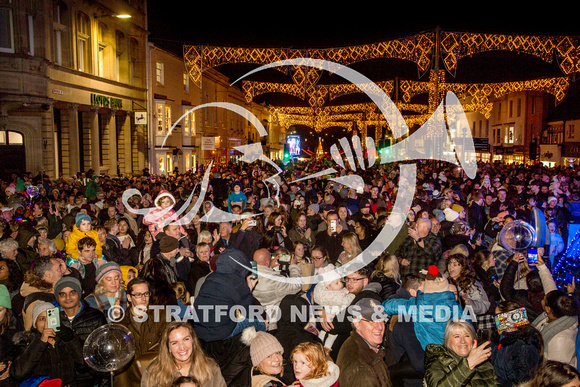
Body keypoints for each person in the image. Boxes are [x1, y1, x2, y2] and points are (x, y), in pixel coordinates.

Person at [382, 265, 464, 350]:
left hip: (432, 352)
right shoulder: (455, 306)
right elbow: (467, 326)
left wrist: (383, 305)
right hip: (454, 349)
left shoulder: (418, 304)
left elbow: (392, 306)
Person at [9, 301, 86, 386]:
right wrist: (40, 342)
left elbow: (84, 366)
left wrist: (69, 337)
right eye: (42, 319)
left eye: (50, 317)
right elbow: (19, 373)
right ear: (35, 324)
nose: (47, 322)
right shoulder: (27, 343)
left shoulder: (65, 340)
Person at [53, 276, 109, 387]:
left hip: (90, 380)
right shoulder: (52, 319)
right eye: (62, 294)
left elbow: (104, 355)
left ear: (79, 293)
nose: (68, 297)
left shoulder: (95, 317)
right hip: (61, 381)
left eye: (72, 292)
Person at [116, 278, 168, 387]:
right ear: (129, 297)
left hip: (160, 379)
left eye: (146, 293)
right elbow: (119, 366)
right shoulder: (120, 325)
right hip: (134, 381)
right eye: (138, 295)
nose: (144, 298)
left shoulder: (162, 315)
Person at [141, 322, 226, 387]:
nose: (182, 347)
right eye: (175, 343)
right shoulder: (154, 373)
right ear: (168, 348)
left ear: (193, 341)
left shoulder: (210, 368)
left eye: (186, 339)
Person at [424, 319, 499, 387]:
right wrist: (468, 364)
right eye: (457, 336)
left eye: (467, 336)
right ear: (448, 340)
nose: (463, 341)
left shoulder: (484, 363)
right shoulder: (438, 362)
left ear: (473, 339)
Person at [336, 297, 392, 387]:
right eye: (372, 321)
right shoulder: (361, 369)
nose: (380, 327)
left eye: (382, 320)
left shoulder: (356, 343)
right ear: (357, 323)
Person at [490, 300, 543, 387]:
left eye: (497, 316)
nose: (495, 320)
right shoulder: (499, 338)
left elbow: (524, 380)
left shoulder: (524, 346)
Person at [251, 248, 301, 330]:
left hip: (255, 321)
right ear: (267, 262)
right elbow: (296, 285)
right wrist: (294, 266)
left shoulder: (249, 275)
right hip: (271, 325)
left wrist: (269, 267)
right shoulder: (275, 281)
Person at [532, 289, 579, 367]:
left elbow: (555, 369)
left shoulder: (561, 339)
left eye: (544, 299)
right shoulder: (549, 317)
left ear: (548, 309)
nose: (541, 300)